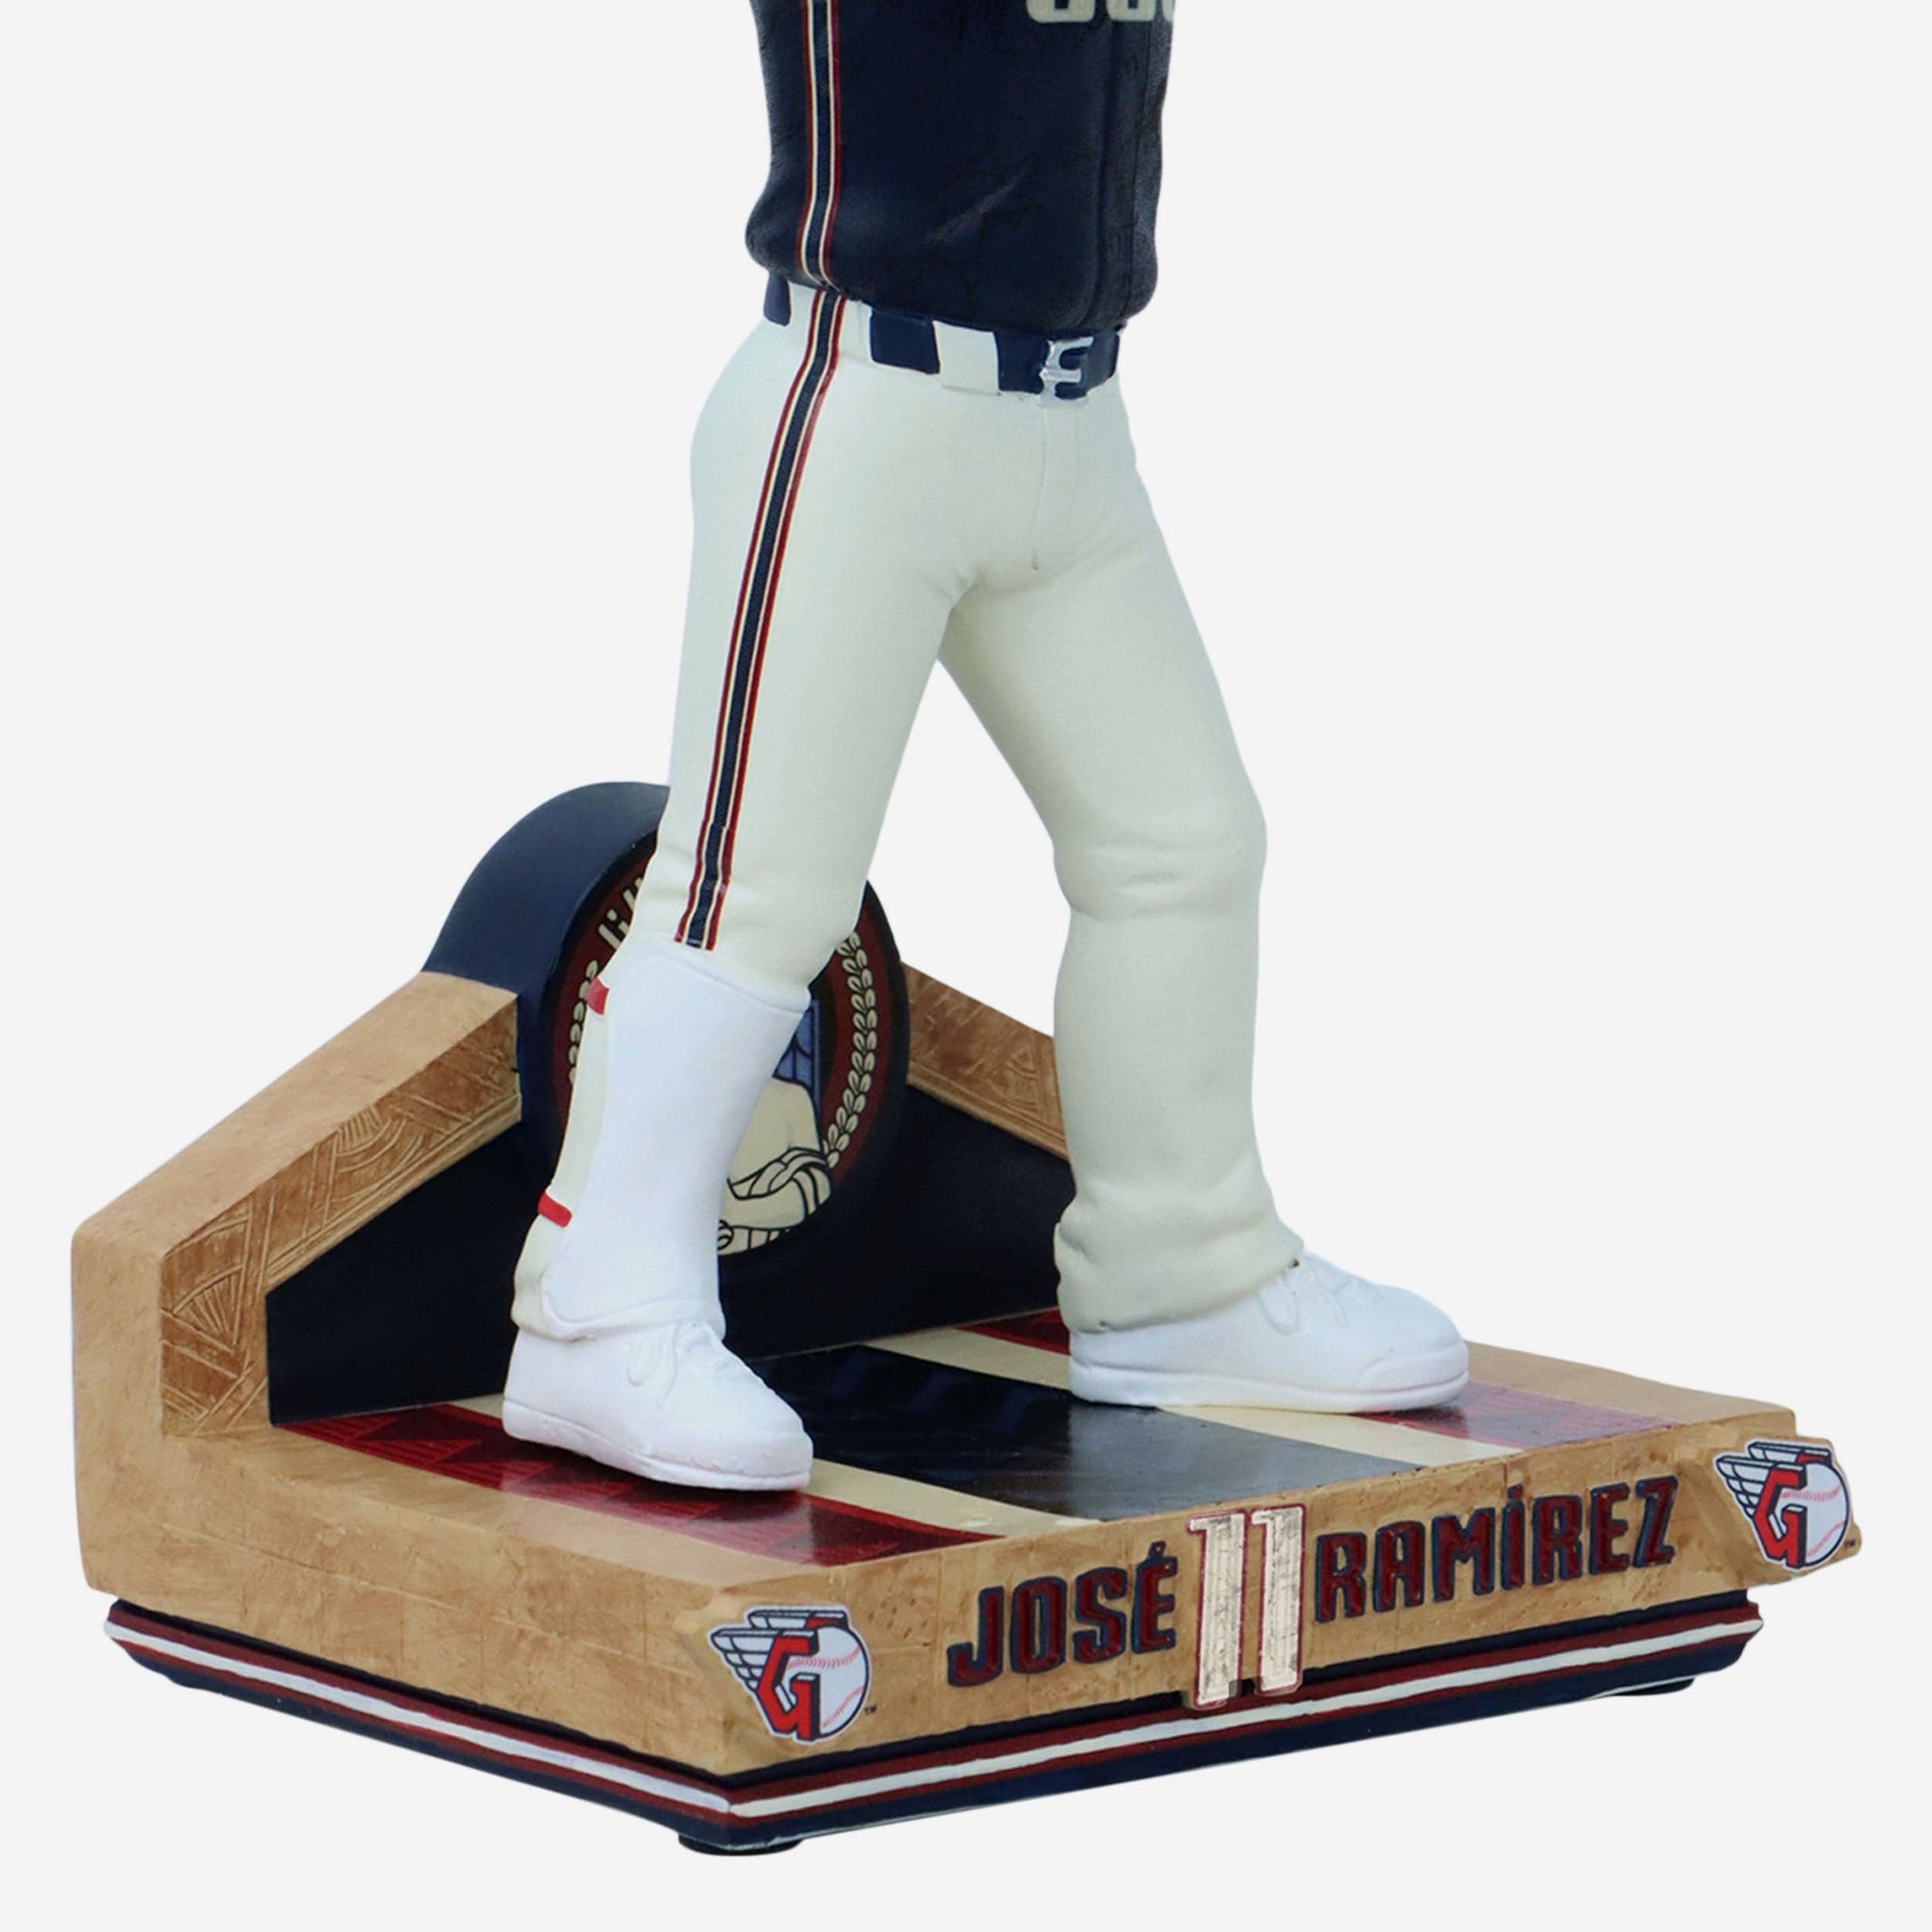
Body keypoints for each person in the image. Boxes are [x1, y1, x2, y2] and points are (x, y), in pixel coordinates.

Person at [501, 0, 1468, 1491]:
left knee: (1181, 846)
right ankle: (597, 1313)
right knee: (755, 889)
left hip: (1074, 424)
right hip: (864, 405)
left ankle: (1180, 1272)